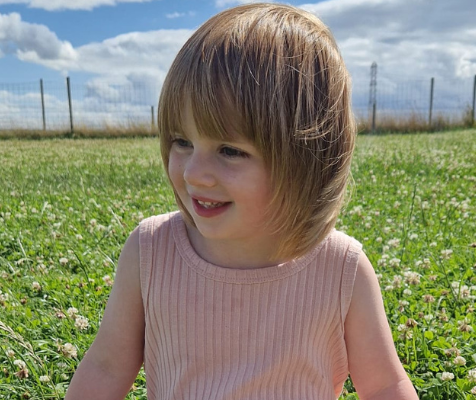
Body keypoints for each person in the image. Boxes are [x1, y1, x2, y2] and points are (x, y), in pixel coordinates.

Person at [65, 3, 418, 400]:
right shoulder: (151, 252)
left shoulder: (340, 268)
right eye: (182, 142)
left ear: (309, 157)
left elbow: (385, 384)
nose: (193, 173)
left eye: (230, 150)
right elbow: (107, 367)